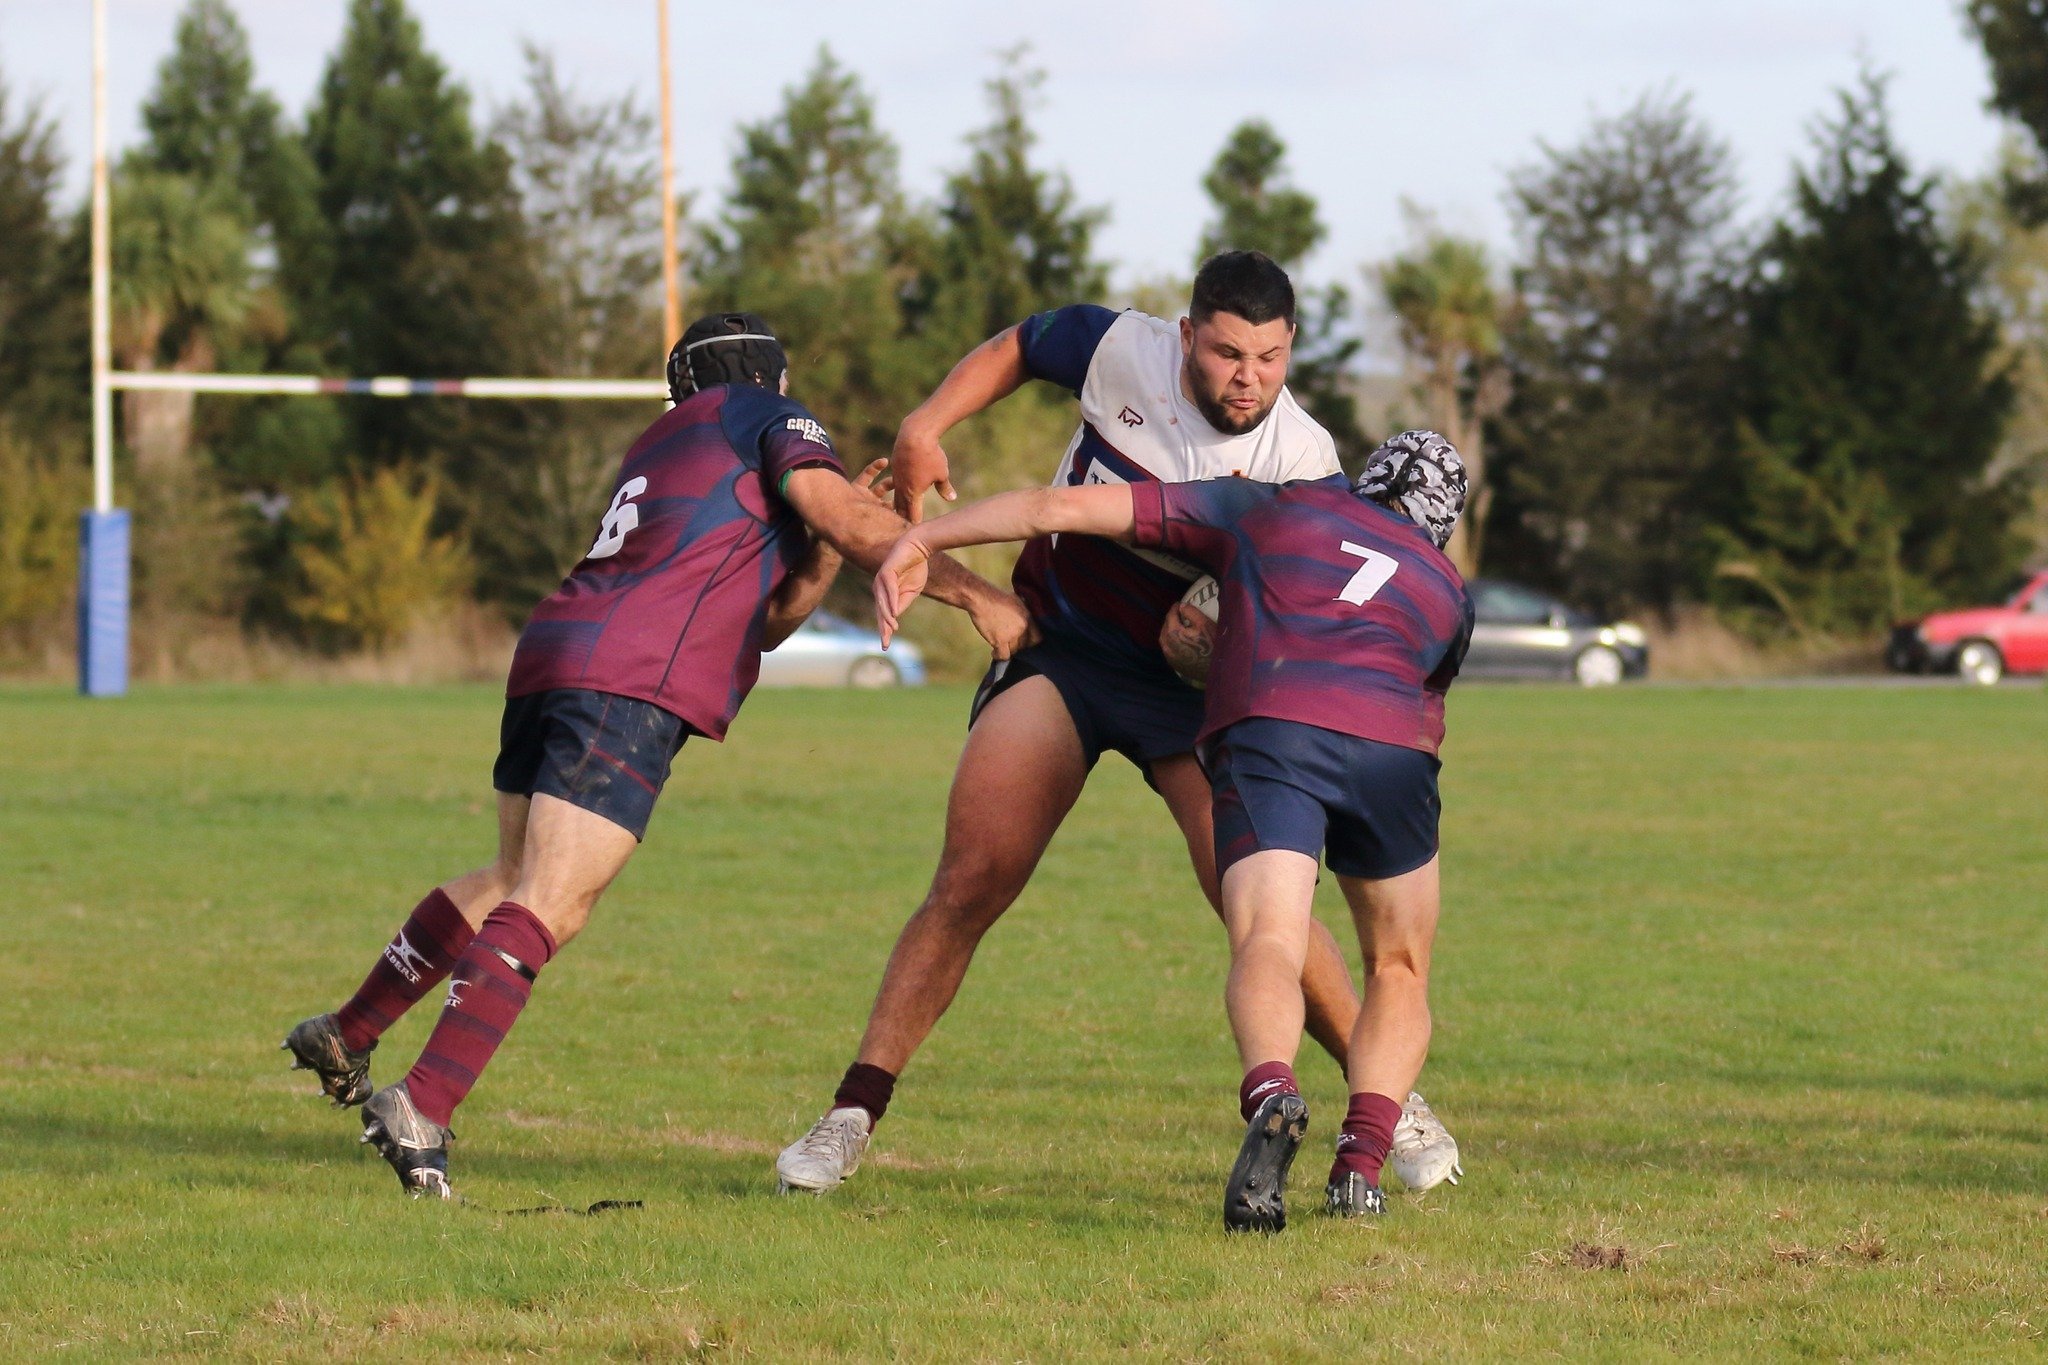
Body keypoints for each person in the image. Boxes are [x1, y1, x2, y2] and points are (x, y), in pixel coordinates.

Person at [282, 312, 1031, 1198]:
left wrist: (828, 549)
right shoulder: (768, 415)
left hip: (556, 648)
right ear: (772, 380)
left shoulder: (671, 439)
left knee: (515, 872)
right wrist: (979, 593)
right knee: (554, 899)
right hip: (631, 672)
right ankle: (424, 1103)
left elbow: (774, 615)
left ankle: (350, 1029)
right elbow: (861, 523)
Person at [775, 252, 1462, 1197]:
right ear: (1187, 335)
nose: (1247, 378)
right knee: (973, 876)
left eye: (1268, 358)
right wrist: (926, 422)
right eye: (1225, 353)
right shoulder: (1120, 347)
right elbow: (1016, 347)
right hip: (1061, 648)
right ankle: (849, 1115)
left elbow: (1292, 622)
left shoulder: (1305, 461)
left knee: (1263, 902)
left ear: (1290, 349)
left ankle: (1388, 1096)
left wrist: (1211, 645)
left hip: (1189, 699)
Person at [870, 430, 1472, 1230]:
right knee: (1398, 965)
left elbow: (1060, 507)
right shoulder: (1447, 586)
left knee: (1267, 938)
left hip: (1274, 722)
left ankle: (1272, 1089)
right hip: (1391, 744)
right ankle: (1360, 1164)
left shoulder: (1271, 505)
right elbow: (1428, 696)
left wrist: (925, 536)